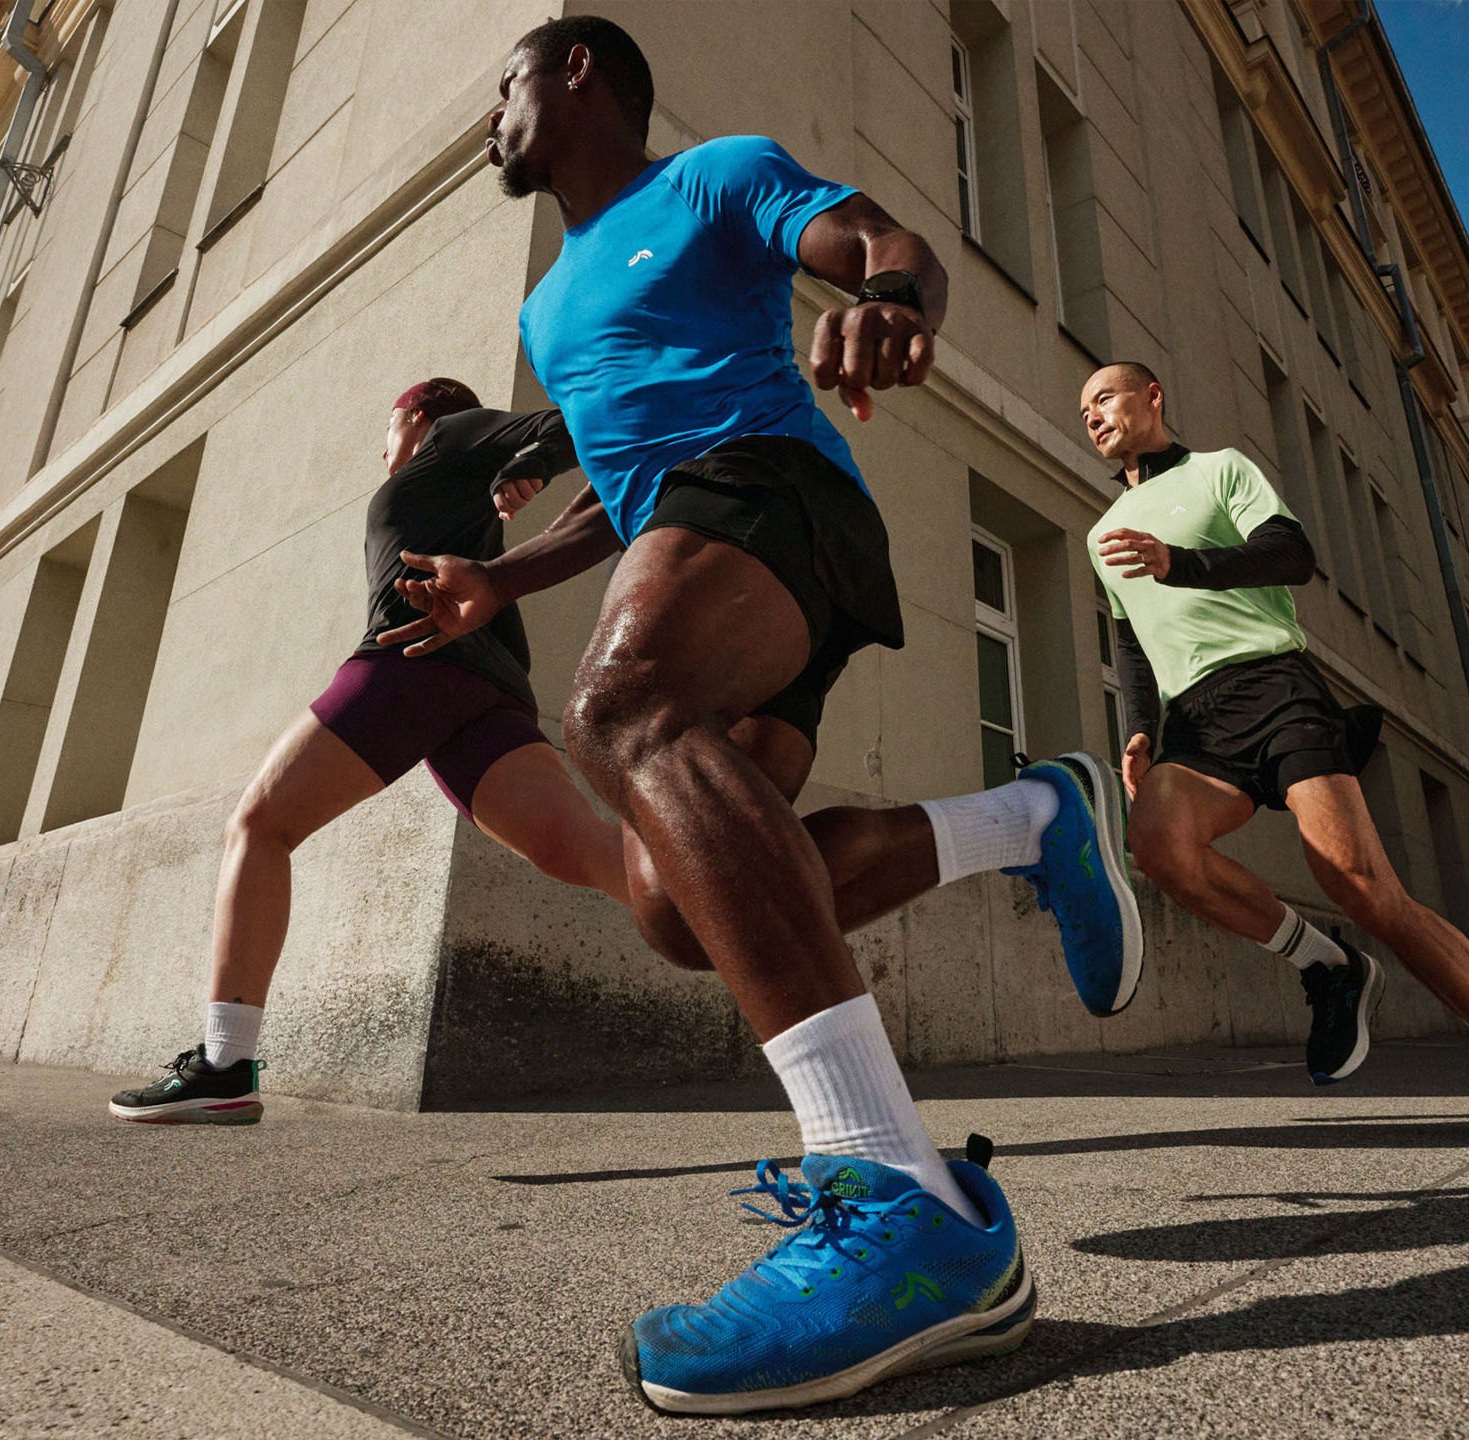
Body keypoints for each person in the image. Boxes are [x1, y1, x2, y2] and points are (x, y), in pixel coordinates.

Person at [378, 16, 1140, 1415]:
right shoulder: (548, 308)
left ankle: (895, 1194)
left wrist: (892, 301)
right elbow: (619, 490)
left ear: (578, 71)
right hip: (699, 536)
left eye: (505, 84)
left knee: (621, 710)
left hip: (778, 490)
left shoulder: (712, 177)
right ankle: (1030, 819)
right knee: (684, 907)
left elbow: (881, 240)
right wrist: (501, 578)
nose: (491, 116)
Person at [1079, 360, 1469, 1146]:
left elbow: (1291, 555)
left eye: (1105, 396)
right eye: (1083, 408)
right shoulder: (1101, 533)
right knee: (1156, 845)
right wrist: (1141, 726)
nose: (1092, 413)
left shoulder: (1221, 470)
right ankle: (1327, 965)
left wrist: (1181, 562)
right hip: (1194, 720)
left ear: (1152, 395)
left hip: (1274, 684)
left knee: (1361, 886)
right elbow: (1131, 638)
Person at [108, 379, 626, 1125]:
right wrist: (528, 465)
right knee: (590, 854)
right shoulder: (454, 479)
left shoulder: (450, 436)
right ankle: (760, 923)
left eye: (387, 427)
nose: (382, 448)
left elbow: (580, 417)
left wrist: (535, 460)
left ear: (415, 416)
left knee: (258, 825)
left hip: (413, 663)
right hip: (487, 688)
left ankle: (224, 1063)